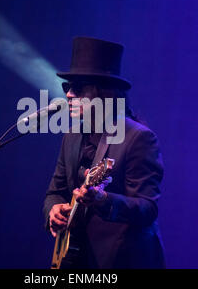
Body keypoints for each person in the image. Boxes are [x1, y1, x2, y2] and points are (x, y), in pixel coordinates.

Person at [43, 37, 165, 268]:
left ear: (103, 93)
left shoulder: (138, 137)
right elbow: (55, 192)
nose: (69, 95)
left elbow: (148, 208)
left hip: (122, 260)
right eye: (67, 87)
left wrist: (103, 199)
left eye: (78, 88)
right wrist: (53, 210)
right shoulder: (72, 135)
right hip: (74, 259)